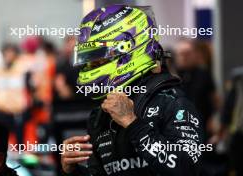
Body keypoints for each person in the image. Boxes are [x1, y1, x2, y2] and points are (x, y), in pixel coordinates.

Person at [61, 5, 203, 176]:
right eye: (89, 62)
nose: (91, 67)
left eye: (99, 60)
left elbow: (187, 169)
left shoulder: (172, 102)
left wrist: (132, 122)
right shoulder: (100, 115)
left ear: (128, 50)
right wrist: (72, 170)